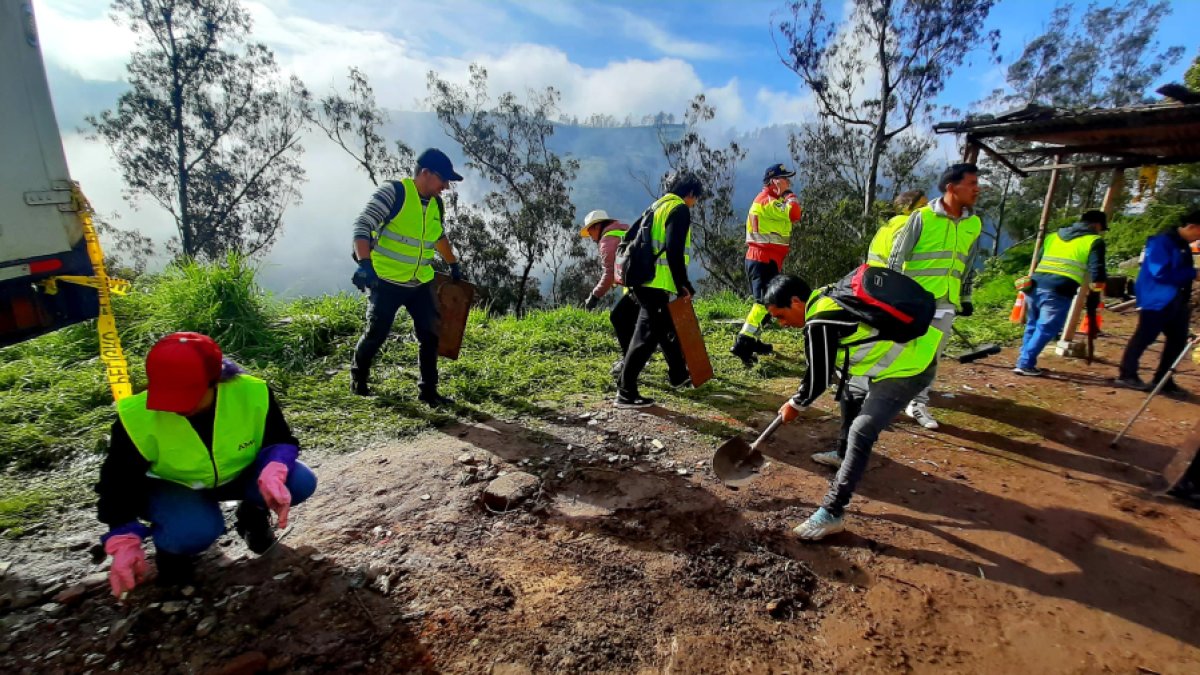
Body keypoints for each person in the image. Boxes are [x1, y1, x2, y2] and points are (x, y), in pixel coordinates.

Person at [96, 333, 318, 596]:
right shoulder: (136, 417)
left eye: (187, 394)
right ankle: (172, 553)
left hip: (238, 475)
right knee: (193, 530)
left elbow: (280, 438)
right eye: (169, 394)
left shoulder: (251, 392)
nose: (176, 406)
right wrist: (122, 536)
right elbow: (116, 482)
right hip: (176, 486)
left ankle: (252, 515)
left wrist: (274, 467)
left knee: (300, 481)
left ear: (215, 383)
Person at [763, 274, 943, 540]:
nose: (782, 324)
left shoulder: (819, 321)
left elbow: (818, 379)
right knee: (849, 395)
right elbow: (819, 368)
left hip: (909, 368)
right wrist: (798, 398)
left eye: (780, 315)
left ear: (796, 301)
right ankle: (842, 454)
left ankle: (832, 512)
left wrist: (795, 404)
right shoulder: (826, 298)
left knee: (862, 429)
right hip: (900, 358)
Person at [349, 148, 465, 407]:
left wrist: (453, 263)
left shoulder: (435, 204)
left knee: (430, 335)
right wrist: (364, 265)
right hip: (386, 281)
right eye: (442, 179)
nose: (445, 186)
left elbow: (437, 236)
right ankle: (359, 377)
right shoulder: (394, 193)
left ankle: (429, 392)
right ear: (426, 173)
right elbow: (362, 225)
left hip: (420, 282)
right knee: (376, 334)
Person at [885, 163, 983, 430]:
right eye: (972, 183)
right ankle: (883, 400)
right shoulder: (922, 218)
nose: (977, 189)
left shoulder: (973, 224)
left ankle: (917, 403)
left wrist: (965, 297)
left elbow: (968, 264)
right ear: (952, 188)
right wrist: (891, 296)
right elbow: (896, 257)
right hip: (914, 300)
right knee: (898, 350)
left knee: (931, 356)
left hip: (945, 301)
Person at [615, 171, 705, 408]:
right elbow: (674, 252)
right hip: (657, 282)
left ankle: (678, 375)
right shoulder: (679, 209)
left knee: (663, 329)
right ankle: (626, 392)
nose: (694, 203)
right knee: (645, 338)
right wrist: (683, 284)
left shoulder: (656, 206)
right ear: (690, 193)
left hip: (643, 280)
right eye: (695, 198)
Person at [1013, 210, 1109, 376]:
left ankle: (1025, 361)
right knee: (1047, 328)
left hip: (1034, 286)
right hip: (1059, 290)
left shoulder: (1053, 236)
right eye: (1101, 228)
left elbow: (1039, 259)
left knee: (1033, 325)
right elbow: (1097, 270)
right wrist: (1096, 292)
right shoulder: (1094, 240)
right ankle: (1025, 363)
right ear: (1096, 225)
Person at [1116, 212, 1200, 393]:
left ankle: (1163, 379)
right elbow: (1159, 272)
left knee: (1178, 340)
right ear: (1192, 227)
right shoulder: (1161, 242)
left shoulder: (1182, 245)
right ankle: (1127, 374)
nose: (1199, 238)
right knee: (1145, 337)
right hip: (1157, 299)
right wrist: (1193, 274)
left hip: (1177, 299)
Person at [730, 164, 803, 367]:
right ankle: (743, 342)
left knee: (768, 301)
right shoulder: (768, 201)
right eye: (785, 179)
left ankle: (753, 340)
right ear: (774, 181)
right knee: (763, 303)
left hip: (766, 259)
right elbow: (795, 213)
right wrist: (788, 193)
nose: (789, 183)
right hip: (762, 259)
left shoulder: (771, 200)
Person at [579, 209, 637, 375]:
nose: (590, 236)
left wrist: (594, 296)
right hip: (651, 281)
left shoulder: (607, 240)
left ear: (597, 226)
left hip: (640, 286)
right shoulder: (624, 230)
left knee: (618, 318)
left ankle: (629, 362)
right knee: (643, 323)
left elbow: (609, 274)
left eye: (590, 231)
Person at [867, 190, 928, 267]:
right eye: (922, 206)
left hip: (873, 274)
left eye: (927, 206)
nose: (927, 210)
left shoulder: (888, 224)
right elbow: (897, 257)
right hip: (889, 275)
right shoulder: (908, 223)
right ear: (906, 208)